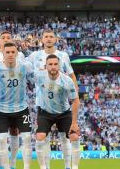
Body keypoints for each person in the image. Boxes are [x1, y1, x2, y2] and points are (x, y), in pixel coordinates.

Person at [27, 29, 79, 169]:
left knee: (66, 137)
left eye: (51, 37)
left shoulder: (62, 55)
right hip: (42, 102)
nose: (49, 39)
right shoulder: (34, 56)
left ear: (56, 39)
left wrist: (75, 93)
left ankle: (69, 166)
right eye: (46, 37)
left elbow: (71, 75)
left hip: (61, 101)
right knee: (44, 137)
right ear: (41, 39)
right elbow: (23, 67)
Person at [0, 42, 33, 169]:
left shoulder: (26, 66)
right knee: (1, 139)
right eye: (7, 52)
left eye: (13, 52)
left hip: (21, 109)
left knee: (27, 138)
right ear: (3, 53)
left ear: (17, 53)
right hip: (2, 109)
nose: (10, 54)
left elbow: (35, 79)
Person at [34, 54, 80, 169]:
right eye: (50, 64)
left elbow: (75, 101)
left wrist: (74, 123)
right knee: (40, 137)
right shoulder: (39, 76)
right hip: (45, 112)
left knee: (74, 137)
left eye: (55, 64)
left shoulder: (67, 81)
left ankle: (71, 167)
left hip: (63, 113)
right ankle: (43, 167)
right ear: (46, 66)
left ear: (59, 66)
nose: (53, 66)